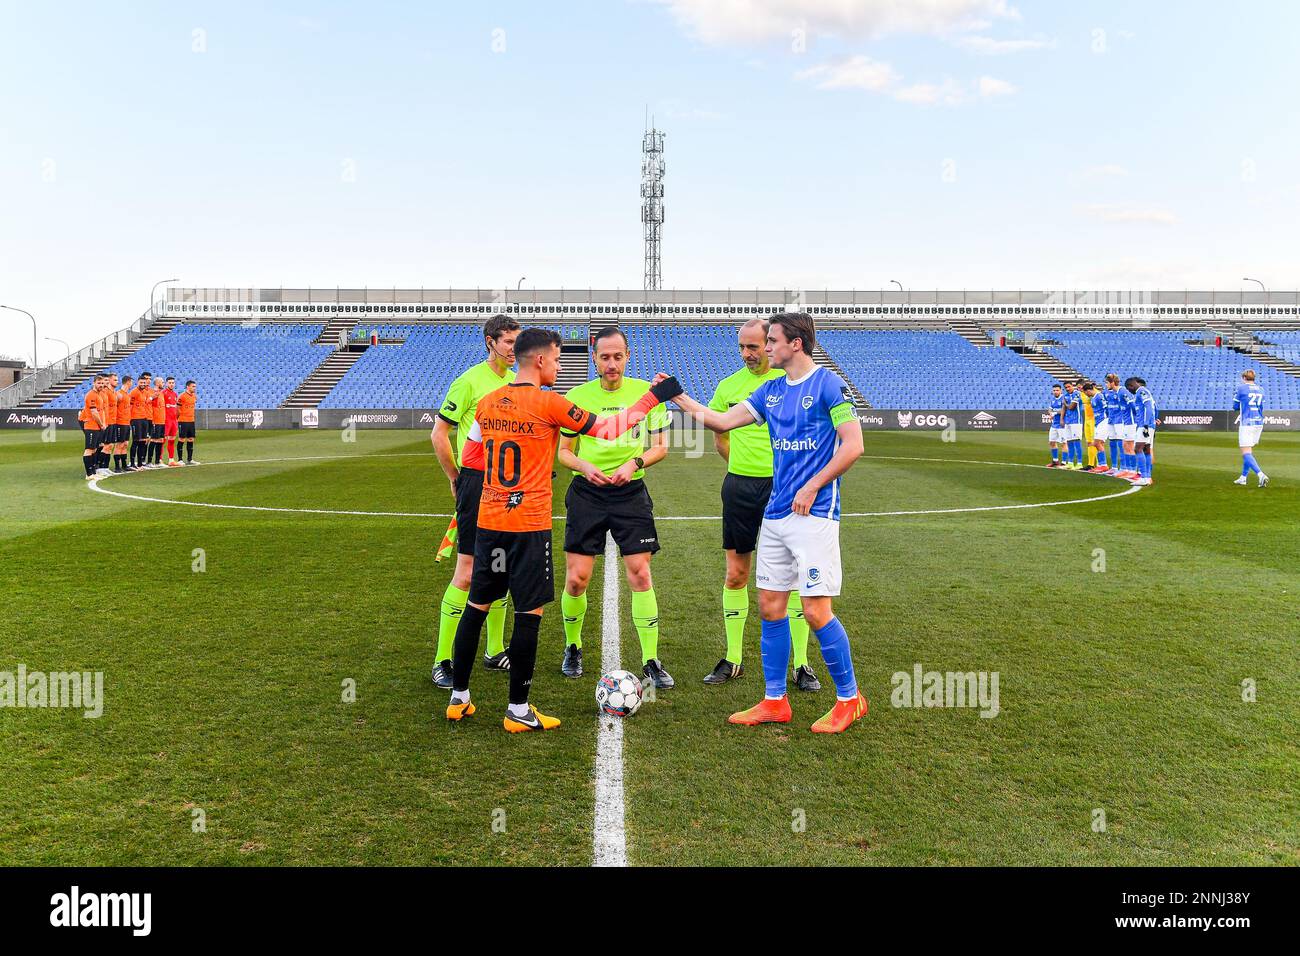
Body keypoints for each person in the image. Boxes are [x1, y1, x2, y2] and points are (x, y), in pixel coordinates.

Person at [446, 328, 681, 733]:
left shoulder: (485, 404)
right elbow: (608, 430)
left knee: (478, 605)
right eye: (556, 360)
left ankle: (460, 699)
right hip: (528, 524)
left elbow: (470, 459)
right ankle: (518, 710)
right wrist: (653, 398)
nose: (559, 366)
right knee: (528, 612)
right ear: (539, 361)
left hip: (489, 520)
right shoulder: (551, 403)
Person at [664, 313, 868, 734]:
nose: (766, 347)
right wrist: (677, 396)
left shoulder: (828, 385)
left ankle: (850, 699)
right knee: (771, 606)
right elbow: (721, 422)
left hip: (815, 514)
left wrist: (813, 486)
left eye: (771, 341)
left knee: (814, 609)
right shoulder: (771, 390)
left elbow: (853, 445)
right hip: (777, 513)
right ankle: (775, 700)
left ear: (795, 344)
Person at [703, 318, 819, 690]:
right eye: (742, 347)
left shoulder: (788, 383)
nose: (748, 354)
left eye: (754, 346)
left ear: (772, 344)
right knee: (736, 572)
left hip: (784, 488)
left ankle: (801, 663)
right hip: (739, 487)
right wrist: (739, 466)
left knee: (796, 575)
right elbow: (720, 435)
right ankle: (733, 657)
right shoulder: (728, 387)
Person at [557, 326, 673, 687]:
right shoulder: (576, 396)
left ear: (627, 356)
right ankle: (573, 647)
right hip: (586, 494)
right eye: (604, 357)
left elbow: (660, 447)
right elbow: (563, 452)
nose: (611, 363)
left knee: (640, 574)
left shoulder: (646, 394)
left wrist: (634, 464)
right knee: (577, 580)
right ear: (594, 358)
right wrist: (585, 466)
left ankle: (651, 661)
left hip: (630, 494)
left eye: (617, 356)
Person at [430, 314, 520, 688]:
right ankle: (443, 659)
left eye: (518, 342)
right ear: (490, 342)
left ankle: (494, 650)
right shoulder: (468, 381)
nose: (515, 349)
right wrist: (456, 478)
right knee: (467, 572)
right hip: (476, 480)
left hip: (507, 485)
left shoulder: (518, 383)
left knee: (502, 570)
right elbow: (439, 434)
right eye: (509, 342)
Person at [1232, 369, 1268, 487]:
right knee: (1249, 451)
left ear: (1244, 378)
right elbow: (1261, 406)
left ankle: (1261, 475)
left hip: (1247, 423)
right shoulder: (1261, 389)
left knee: (1245, 452)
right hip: (1258, 422)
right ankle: (1243, 477)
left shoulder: (1241, 389)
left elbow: (1235, 406)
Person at [130, 373, 153, 469]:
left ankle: (140, 464)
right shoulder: (134, 392)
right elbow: (130, 406)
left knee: (143, 441)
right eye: (141, 382)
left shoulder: (146, 393)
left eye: (144, 382)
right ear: (137, 382)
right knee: (136, 441)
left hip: (144, 419)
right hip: (136, 419)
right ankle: (132, 463)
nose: (143, 384)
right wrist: (129, 419)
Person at [177, 381, 198, 464]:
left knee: (191, 439)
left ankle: (190, 459)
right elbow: (177, 408)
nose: (194, 388)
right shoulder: (182, 396)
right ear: (187, 387)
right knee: (182, 439)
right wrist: (178, 418)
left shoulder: (194, 396)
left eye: (195, 386)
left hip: (191, 421)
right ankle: (180, 459)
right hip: (183, 421)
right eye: (193, 386)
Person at [1047, 384, 1065, 467]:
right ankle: (1055, 461)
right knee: (1051, 442)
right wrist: (1050, 413)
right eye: (1054, 390)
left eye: (1057, 390)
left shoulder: (1064, 398)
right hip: (1054, 424)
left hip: (1062, 424)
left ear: (1061, 390)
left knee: (1064, 443)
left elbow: (1064, 410)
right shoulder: (1053, 399)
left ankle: (1064, 462)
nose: (1055, 392)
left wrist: (1055, 413)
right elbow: (1050, 408)